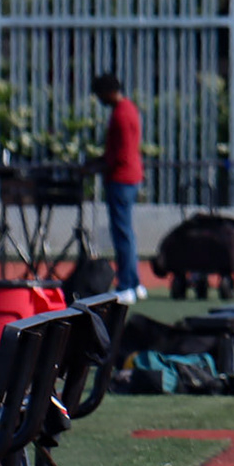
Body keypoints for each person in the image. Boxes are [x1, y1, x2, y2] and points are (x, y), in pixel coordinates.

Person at [89, 74, 144, 303]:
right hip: (129, 176)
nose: (100, 99)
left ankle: (126, 285)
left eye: (101, 94)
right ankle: (135, 283)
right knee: (126, 233)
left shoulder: (121, 114)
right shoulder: (129, 109)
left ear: (109, 92)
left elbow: (120, 154)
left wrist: (98, 165)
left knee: (122, 233)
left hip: (121, 179)